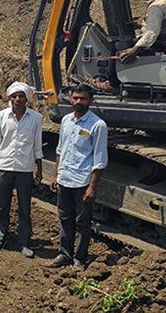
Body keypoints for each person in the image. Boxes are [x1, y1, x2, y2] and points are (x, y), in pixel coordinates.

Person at [48, 84, 108, 269]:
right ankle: (64, 254)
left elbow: (99, 159)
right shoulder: (66, 120)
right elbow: (60, 150)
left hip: (82, 181)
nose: (78, 101)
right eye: (75, 98)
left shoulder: (97, 125)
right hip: (65, 179)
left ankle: (80, 258)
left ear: (91, 100)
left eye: (82, 98)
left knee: (82, 222)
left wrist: (92, 186)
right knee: (65, 218)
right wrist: (55, 174)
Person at [0, 82, 43, 258]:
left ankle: (24, 241)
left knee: (24, 206)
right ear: (9, 98)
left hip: (25, 168)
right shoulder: (1, 116)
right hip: (5, 166)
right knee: (2, 205)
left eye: (21, 96)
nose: (17, 99)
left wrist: (39, 169)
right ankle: (0, 237)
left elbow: (37, 145)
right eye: (14, 96)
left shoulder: (36, 118)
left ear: (27, 99)